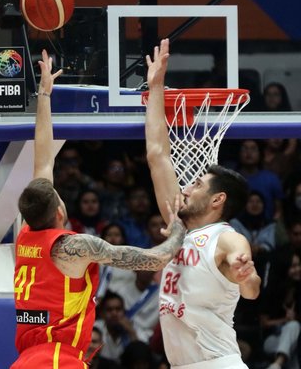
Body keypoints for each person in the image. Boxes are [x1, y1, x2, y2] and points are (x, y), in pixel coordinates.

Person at [11, 50, 186, 369]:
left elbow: (43, 160)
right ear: (59, 213)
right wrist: (178, 230)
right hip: (55, 359)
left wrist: (45, 94)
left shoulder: (26, 235)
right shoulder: (71, 247)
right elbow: (153, 259)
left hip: (26, 359)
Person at [145, 38, 261, 369]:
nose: (187, 186)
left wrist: (245, 274)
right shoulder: (177, 225)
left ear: (217, 199)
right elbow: (157, 154)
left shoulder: (227, 238)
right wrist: (156, 87)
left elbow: (251, 290)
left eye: (197, 184)